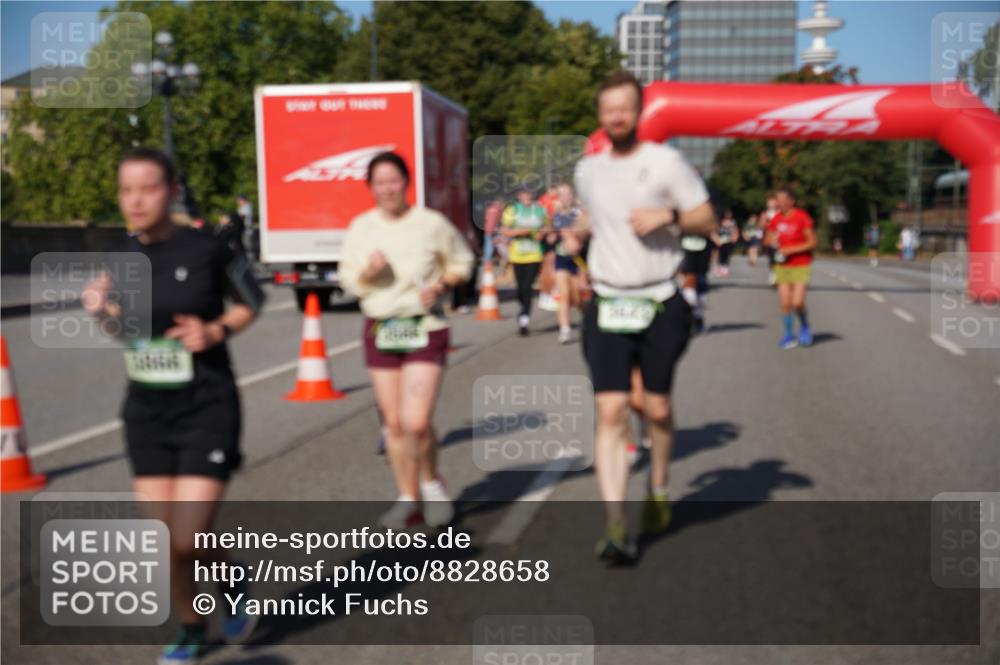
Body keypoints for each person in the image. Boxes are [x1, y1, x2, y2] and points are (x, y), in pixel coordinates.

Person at [83, 147, 265, 664]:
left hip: (207, 406)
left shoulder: (207, 248)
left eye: (148, 188)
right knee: (163, 540)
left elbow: (252, 301)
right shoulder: (121, 257)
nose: (136, 200)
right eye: (126, 190)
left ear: (173, 192)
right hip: (147, 411)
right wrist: (101, 313)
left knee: (188, 537)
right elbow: (129, 332)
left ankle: (229, 580)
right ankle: (191, 629)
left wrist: (215, 330)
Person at [564, 70, 717, 564]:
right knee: (610, 411)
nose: (617, 116)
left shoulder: (666, 163)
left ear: (639, 112)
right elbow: (594, 213)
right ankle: (615, 523)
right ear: (600, 115)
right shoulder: (588, 170)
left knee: (656, 409)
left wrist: (668, 216)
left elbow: (706, 218)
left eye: (625, 108)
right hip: (608, 301)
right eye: (609, 109)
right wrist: (577, 232)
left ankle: (658, 486)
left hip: (659, 300)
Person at [339, 151, 474, 529]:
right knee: (394, 425)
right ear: (370, 187)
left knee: (416, 422)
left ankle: (431, 485)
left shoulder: (431, 223)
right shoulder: (361, 227)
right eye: (380, 182)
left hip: (424, 327)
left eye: (393, 181)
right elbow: (348, 280)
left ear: (406, 183)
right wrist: (369, 271)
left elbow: (462, 262)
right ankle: (407, 498)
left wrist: (441, 285)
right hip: (381, 328)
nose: (387, 189)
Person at [765, 187, 817, 349]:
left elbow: (812, 242)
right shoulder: (776, 219)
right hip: (782, 265)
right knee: (785, 303)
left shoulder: (802, 217)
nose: (779, 203)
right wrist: (772, 241)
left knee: (798, 302)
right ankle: (789, 334)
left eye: (782, 200)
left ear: (791, 201)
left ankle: (805, 326)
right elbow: (767, 240)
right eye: (777, 200)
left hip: (801, 264)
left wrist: (791, 250)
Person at [501, 186, 549, 336]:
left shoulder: (540, 210)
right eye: (524, 194)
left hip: (534, 255)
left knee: (527, 287)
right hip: (517, 255)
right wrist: (519, 232)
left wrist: (541, 234)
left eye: (529, 194)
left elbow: (547, 227)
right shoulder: (513, 210)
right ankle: (523, 308)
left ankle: (524, 319)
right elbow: (504, 230)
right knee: (520, 289)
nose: (527, 196)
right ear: (519, 196)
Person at [550, 182, 583, 344]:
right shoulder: (556, 215)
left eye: (568, 194)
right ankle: (565, 330)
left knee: (578, 297)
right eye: (562, 195)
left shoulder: (580, 212)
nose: (566, 198)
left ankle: (589, 321)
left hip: (579, 260)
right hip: (562, 258)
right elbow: (553, 236)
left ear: (573, 195)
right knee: (563, 294)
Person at [712, 210, 738, 277]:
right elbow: (714, 230)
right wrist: (716, 239)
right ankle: (718, 268)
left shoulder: (733, 222)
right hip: (720, 241)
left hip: (728, 241)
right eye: (727, 214)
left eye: (729, 214)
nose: (728, 216)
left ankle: (725, 269)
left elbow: (735, 231)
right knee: (719, 255)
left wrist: (735, 237)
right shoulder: (719, 222)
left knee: (727, 255)